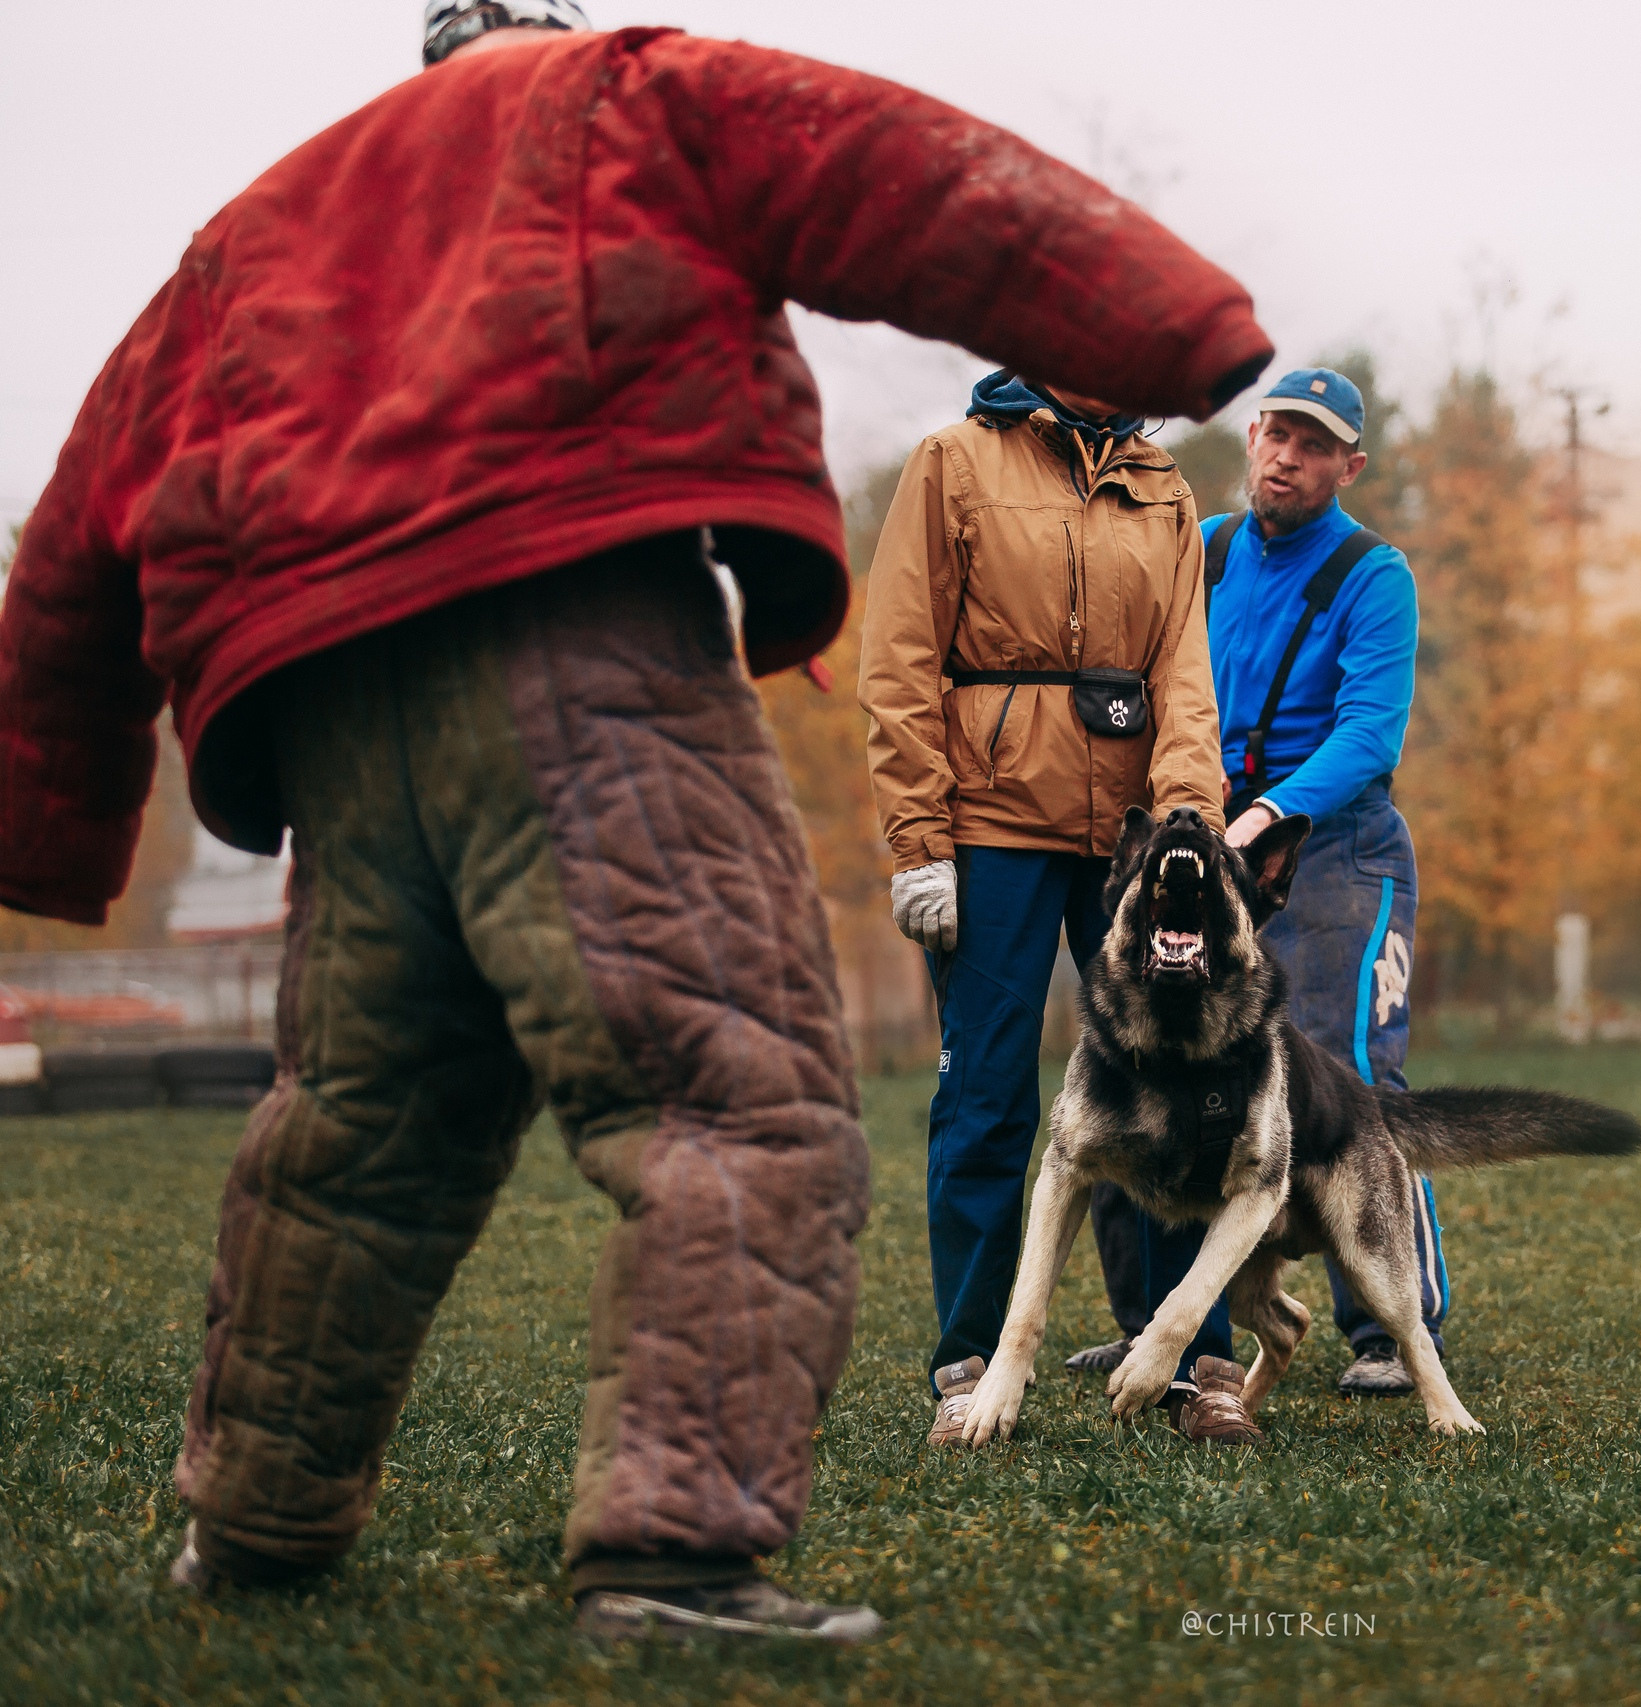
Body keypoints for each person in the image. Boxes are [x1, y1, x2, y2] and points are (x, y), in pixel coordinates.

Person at [0, 1, 1267, 1643]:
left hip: (326, 710)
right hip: (578, 635)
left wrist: (45, 815)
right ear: (547, 24)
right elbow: (903, 177)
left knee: (355, 1136)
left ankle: (253, 1525)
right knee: (736, 1096)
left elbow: (78, 523)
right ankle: (673, 1551)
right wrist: (1179, 331)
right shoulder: (619, 95)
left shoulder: (250, 230)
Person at [860, 371, 1264, 1448]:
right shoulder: (953, 462)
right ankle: (970, 1361)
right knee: (987, 1091)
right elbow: (899, 654)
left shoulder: (1162, 484)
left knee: (1182, 1082)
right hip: (988, 820)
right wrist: (918, 838)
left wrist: (1187, 820)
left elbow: (1184, 672)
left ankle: (1190, 1361)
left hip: (1133, 838)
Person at [1073, 367, 1452, 1399]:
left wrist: (1258, 818)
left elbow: (1369, 735)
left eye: (1315, 445)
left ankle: (1392, 1328)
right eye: (1278, 434)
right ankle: (1153, 1323)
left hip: (1335, 850)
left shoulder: (1374, 575)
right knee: (1135, 1053)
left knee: (1350, 1073)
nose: (1288, 457)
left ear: (1348, 467)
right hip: (1204, 842)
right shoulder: (1204, 551)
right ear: (1251, 436)